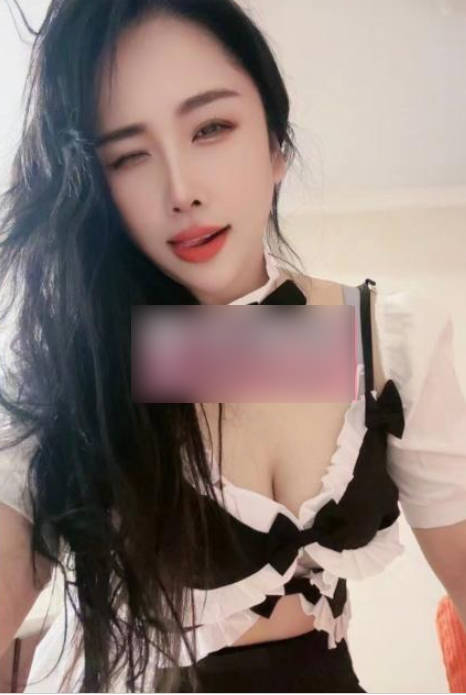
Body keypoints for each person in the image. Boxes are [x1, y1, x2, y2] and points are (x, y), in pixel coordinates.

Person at [0, 0, 465, 692]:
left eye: (211, 128)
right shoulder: (71, 367)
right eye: (128, 155)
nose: (181, 190)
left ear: (277, 144)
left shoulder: (385, 339)